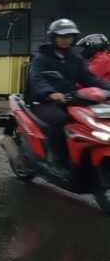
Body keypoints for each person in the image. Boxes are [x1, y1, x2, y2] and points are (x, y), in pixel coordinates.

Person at [29, 19, 110, 176]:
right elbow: (37, 80)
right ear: (53, 37)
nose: (65, 39)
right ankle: (56, 158)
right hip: (45, 102)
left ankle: (83, 159)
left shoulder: (75, 59)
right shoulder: (42, 58)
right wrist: (50, 93)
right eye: (61, 36)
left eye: (69, 36)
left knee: (89, 121)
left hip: (70, 99)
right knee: (61, 121)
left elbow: (90, 79)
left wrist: (107, 89)